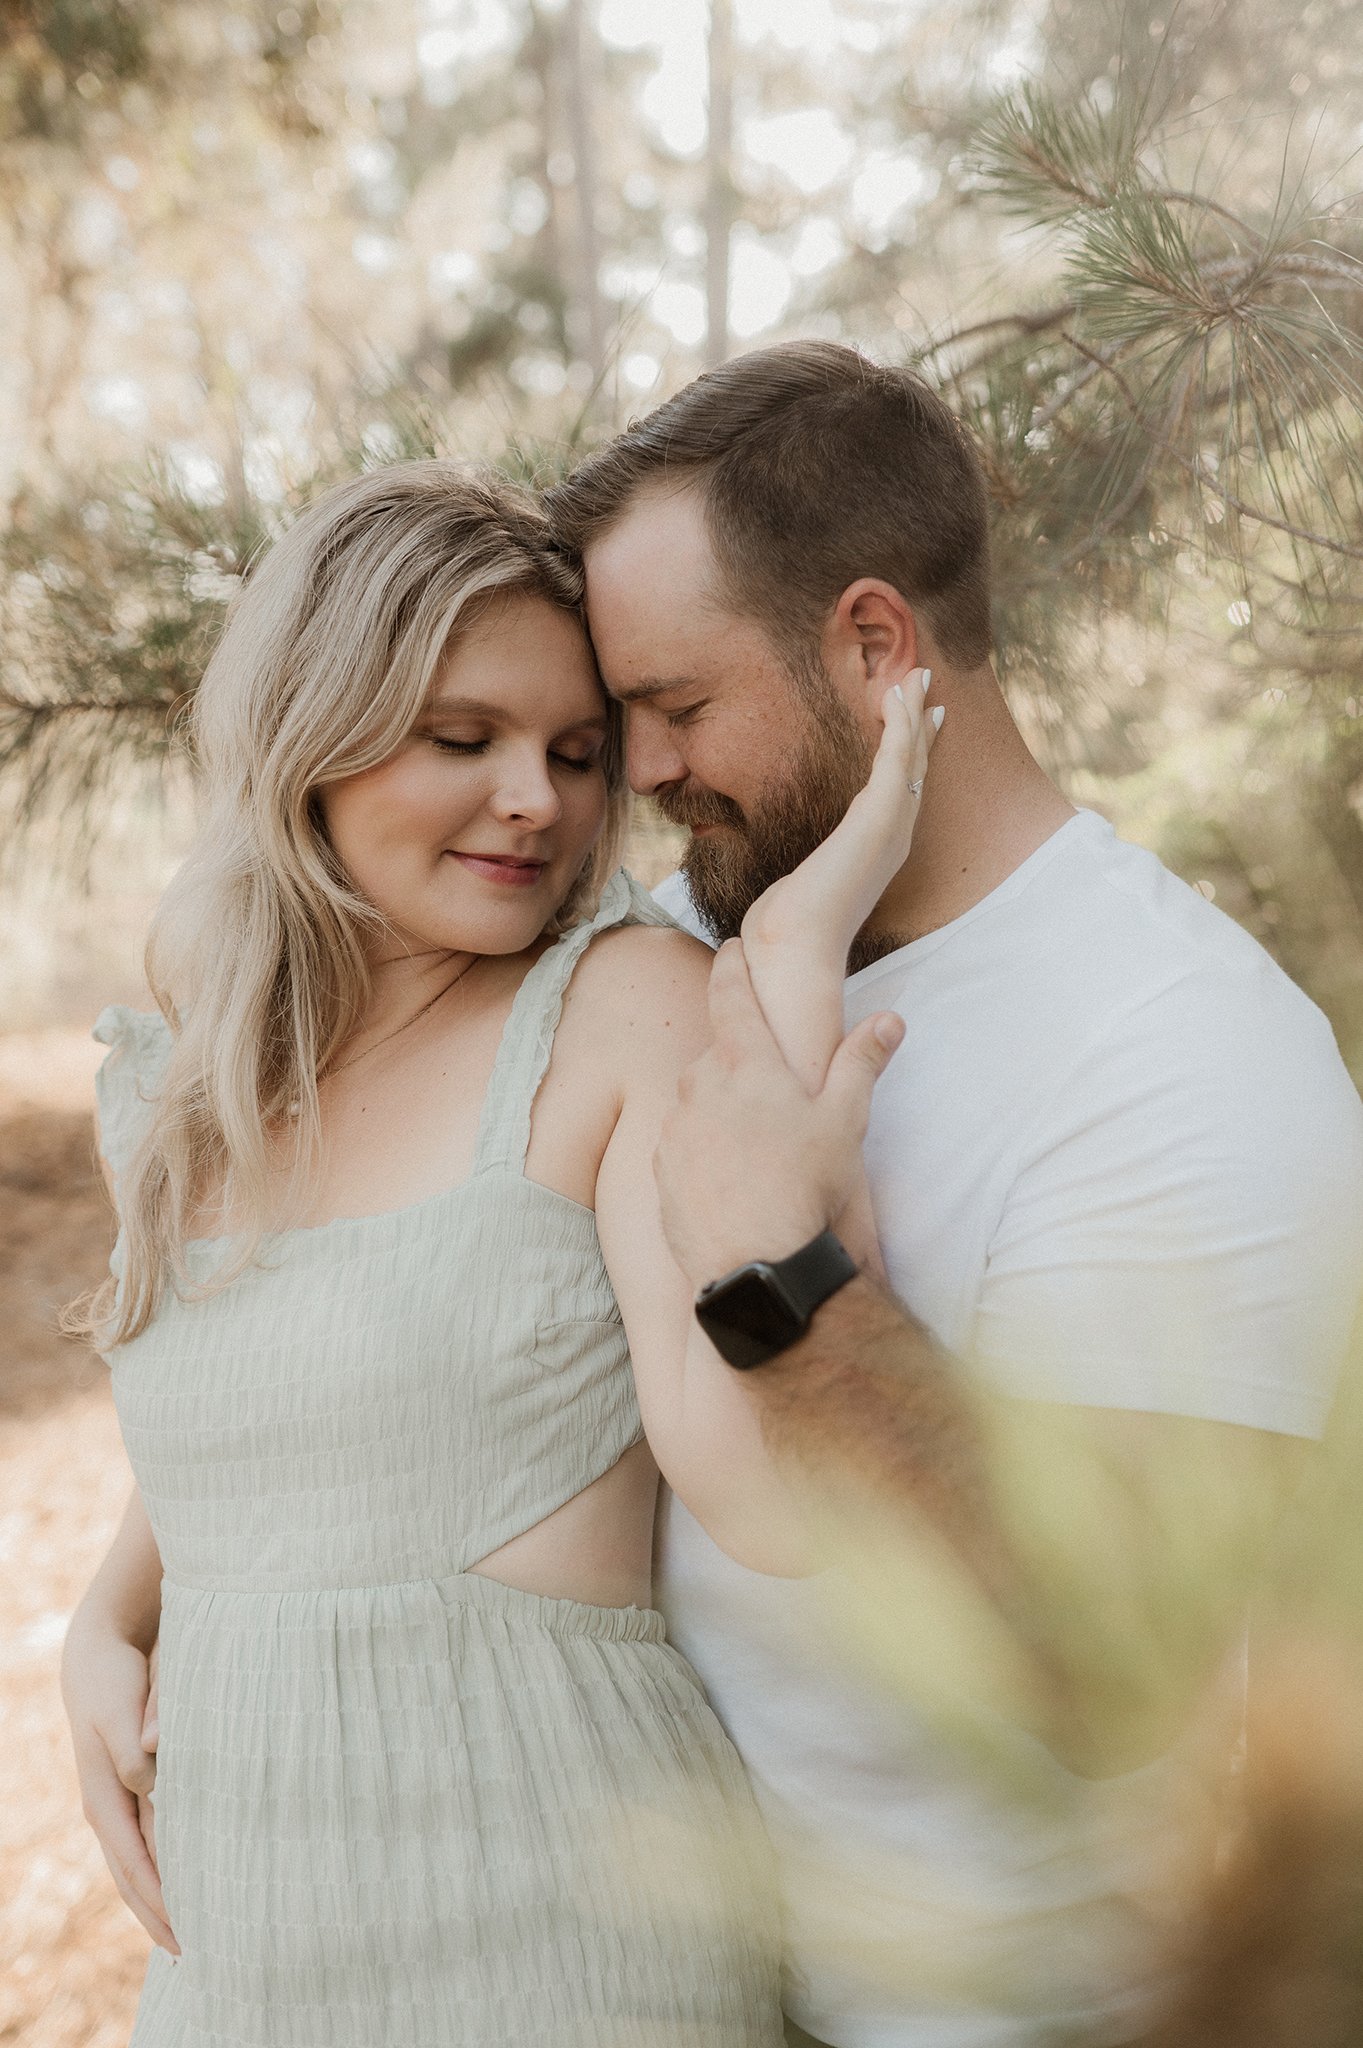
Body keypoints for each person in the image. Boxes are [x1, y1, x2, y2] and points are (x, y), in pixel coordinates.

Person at [60, 457, 941, 2046]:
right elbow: (283, 1390)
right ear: (310, 742)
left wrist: (795, 980)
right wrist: (105, 1617)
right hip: (232, 1954)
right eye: (463, 740)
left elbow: (761, 1494)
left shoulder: (615, 1012)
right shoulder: (200, 1056)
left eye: (577, 753)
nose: (538, 798)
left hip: (553, 1923)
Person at [545, 339, 1363, 2048]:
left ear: (870, 643)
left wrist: (789, 1281)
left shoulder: (1187, 1055)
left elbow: (1111, 1665)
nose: (634, 771)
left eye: (680, 708)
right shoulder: (694, 946)